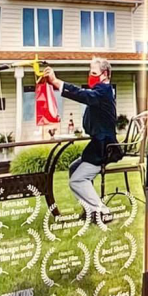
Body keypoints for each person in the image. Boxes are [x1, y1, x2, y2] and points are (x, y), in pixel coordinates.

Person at [43, 57, 117, 222]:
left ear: (104, 75)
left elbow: (82, 95)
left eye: (93, 73)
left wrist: (56, 82)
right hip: (99, 144)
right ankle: (90, 211)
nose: (90, 76)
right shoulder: (103, 91)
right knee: (73, 168)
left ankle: (103, 212)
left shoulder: (102, 91)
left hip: (103, 147)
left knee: (77, 180)